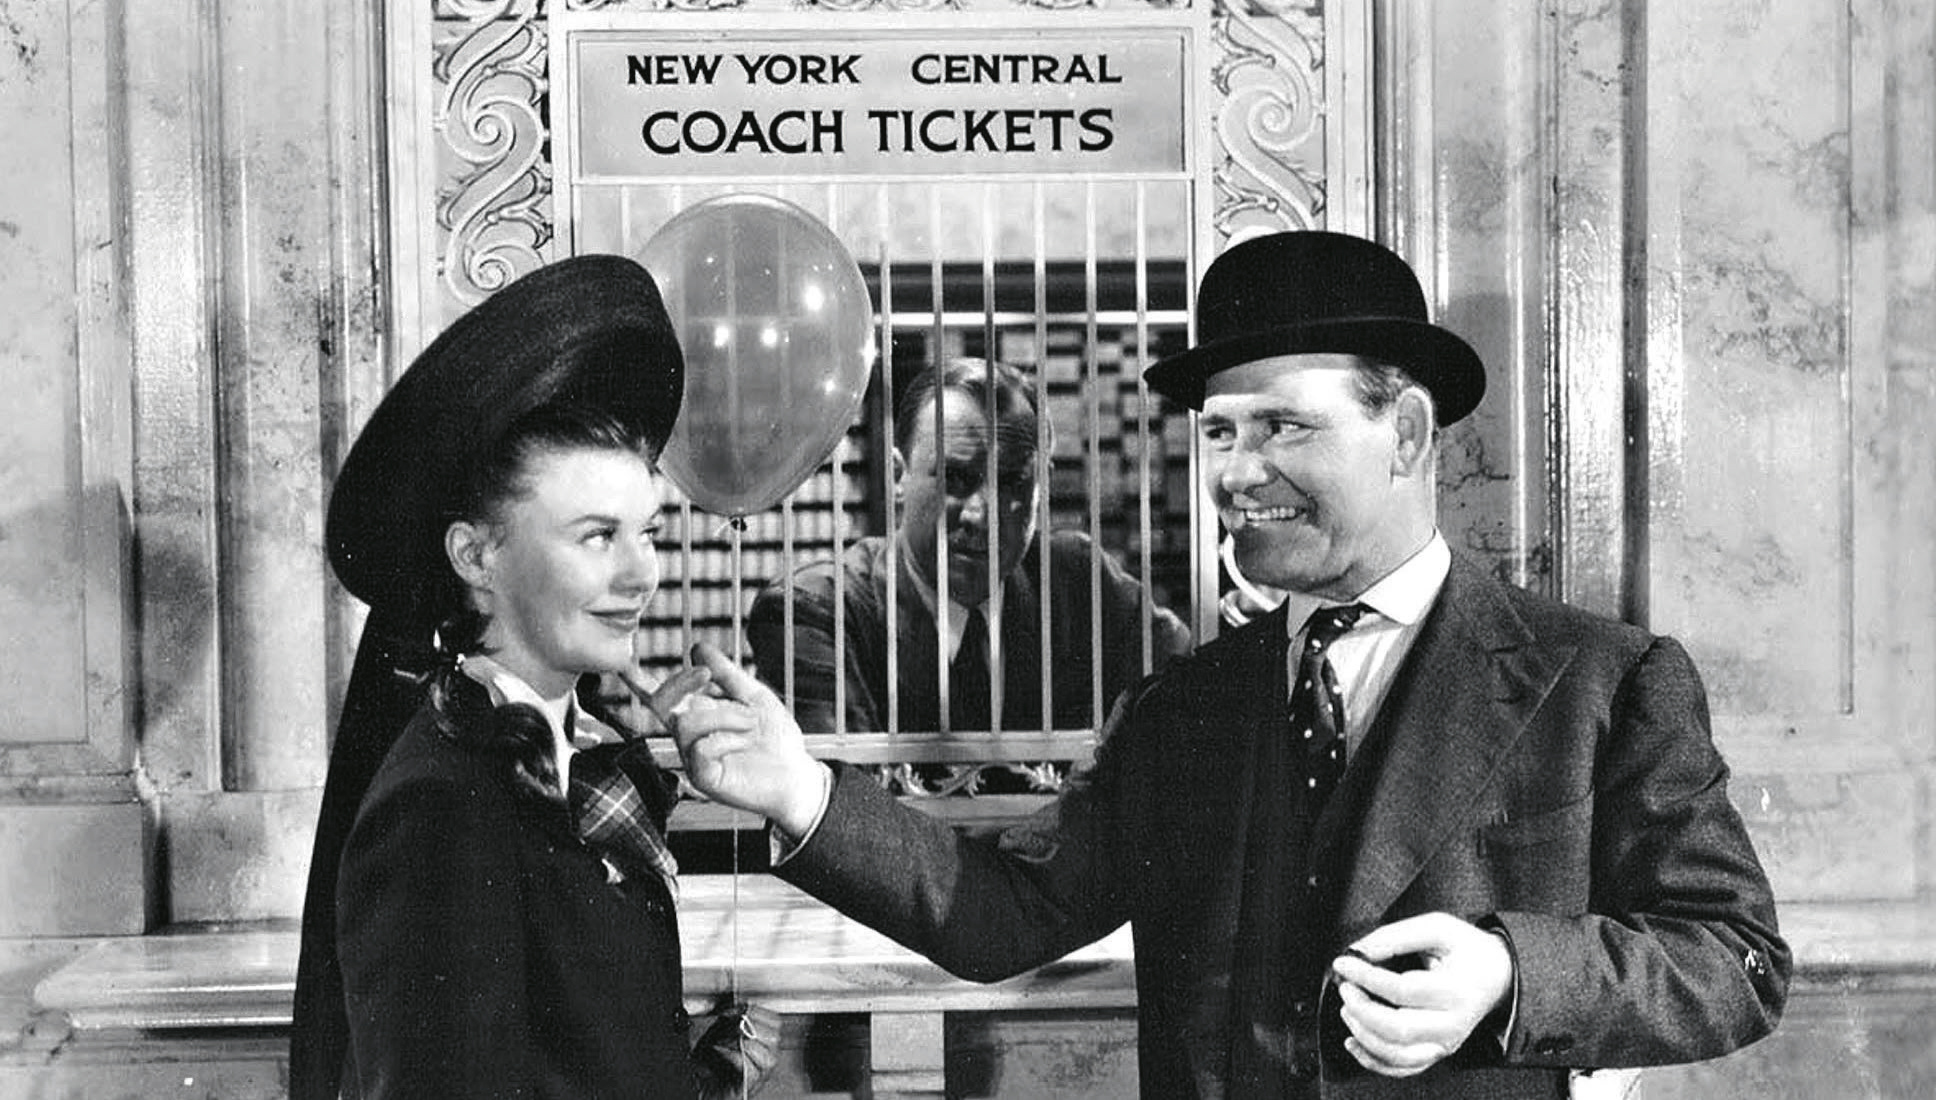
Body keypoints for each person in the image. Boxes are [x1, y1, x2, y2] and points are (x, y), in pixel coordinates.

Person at [655, 231, 1791, 1099]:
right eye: (1219, 432)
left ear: (1403, 434)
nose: (1238, 473)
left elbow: (1732, 956)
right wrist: (793, 787)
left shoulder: (1596, 680)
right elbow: (1007, 910)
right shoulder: (1186, 703)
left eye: (1285, 428)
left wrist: (1508, 973)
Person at [290, 254, 777, 1100]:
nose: (642, 575)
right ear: (476, 556)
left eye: (648, 532)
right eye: (596, 536)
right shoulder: (442, 802)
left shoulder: (560, 757)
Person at [746, 357, 1191, 743]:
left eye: (1013, 482)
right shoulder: (817, 607)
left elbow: (1188, 703)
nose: (982, 516)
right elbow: (843, 805)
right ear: (898, 476)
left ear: (1043, 484)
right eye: (956, 480)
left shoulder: (1080, 584)